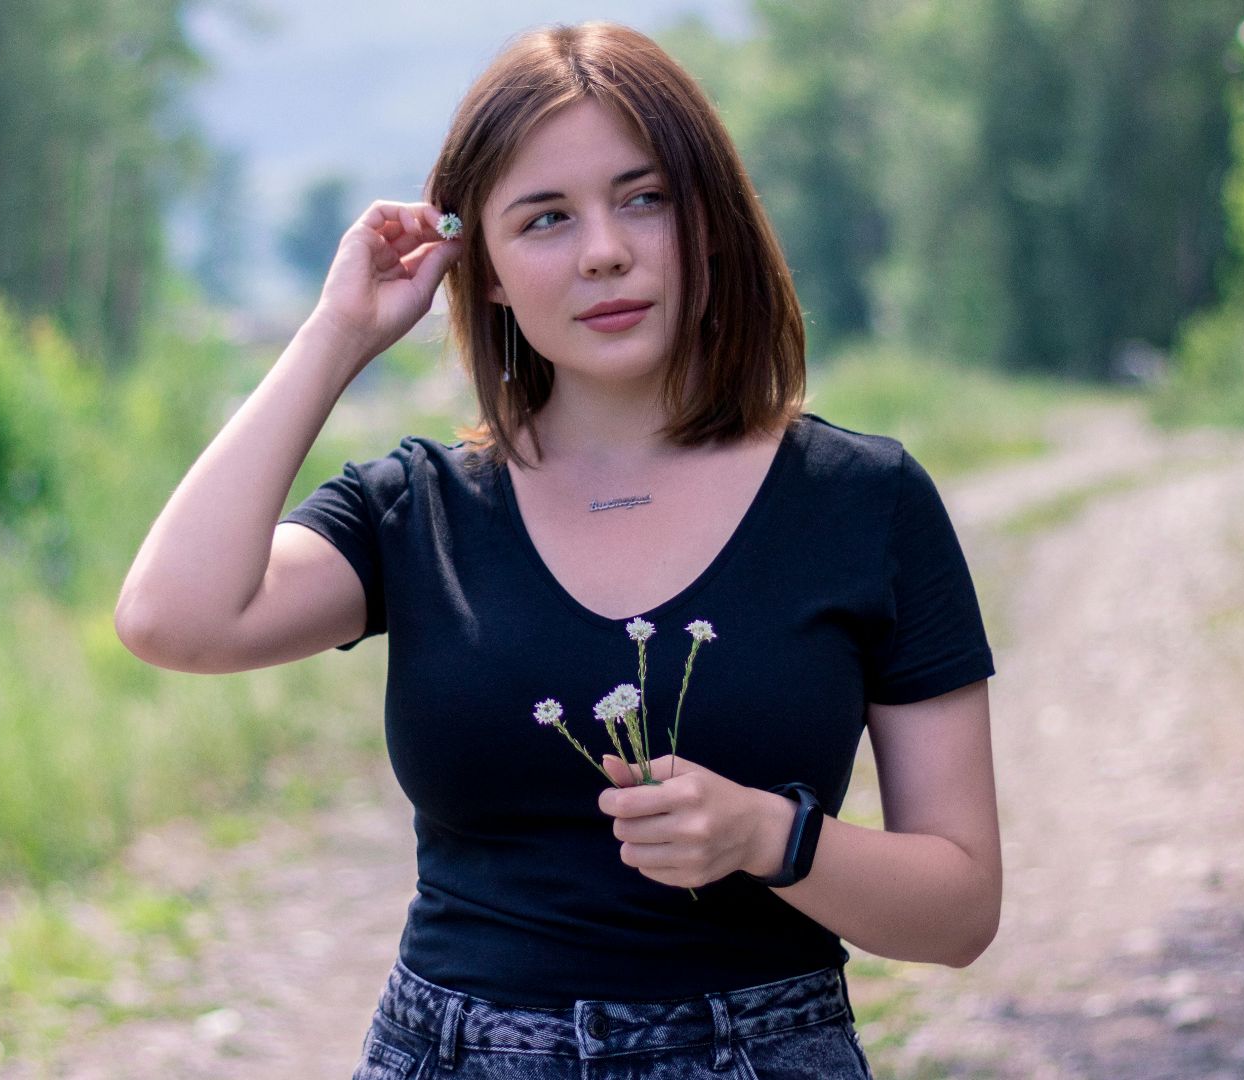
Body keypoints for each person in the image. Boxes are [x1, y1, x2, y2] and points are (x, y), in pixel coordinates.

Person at [114, 20, 1000, 1080]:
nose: (604, 250)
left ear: (707, 221)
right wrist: (336, 336)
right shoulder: (421, 512)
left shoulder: (865, 503)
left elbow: (960, 909)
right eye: (544, 219)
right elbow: (174, 619)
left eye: (644, 197)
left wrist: (771, 837)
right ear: (481, 268)